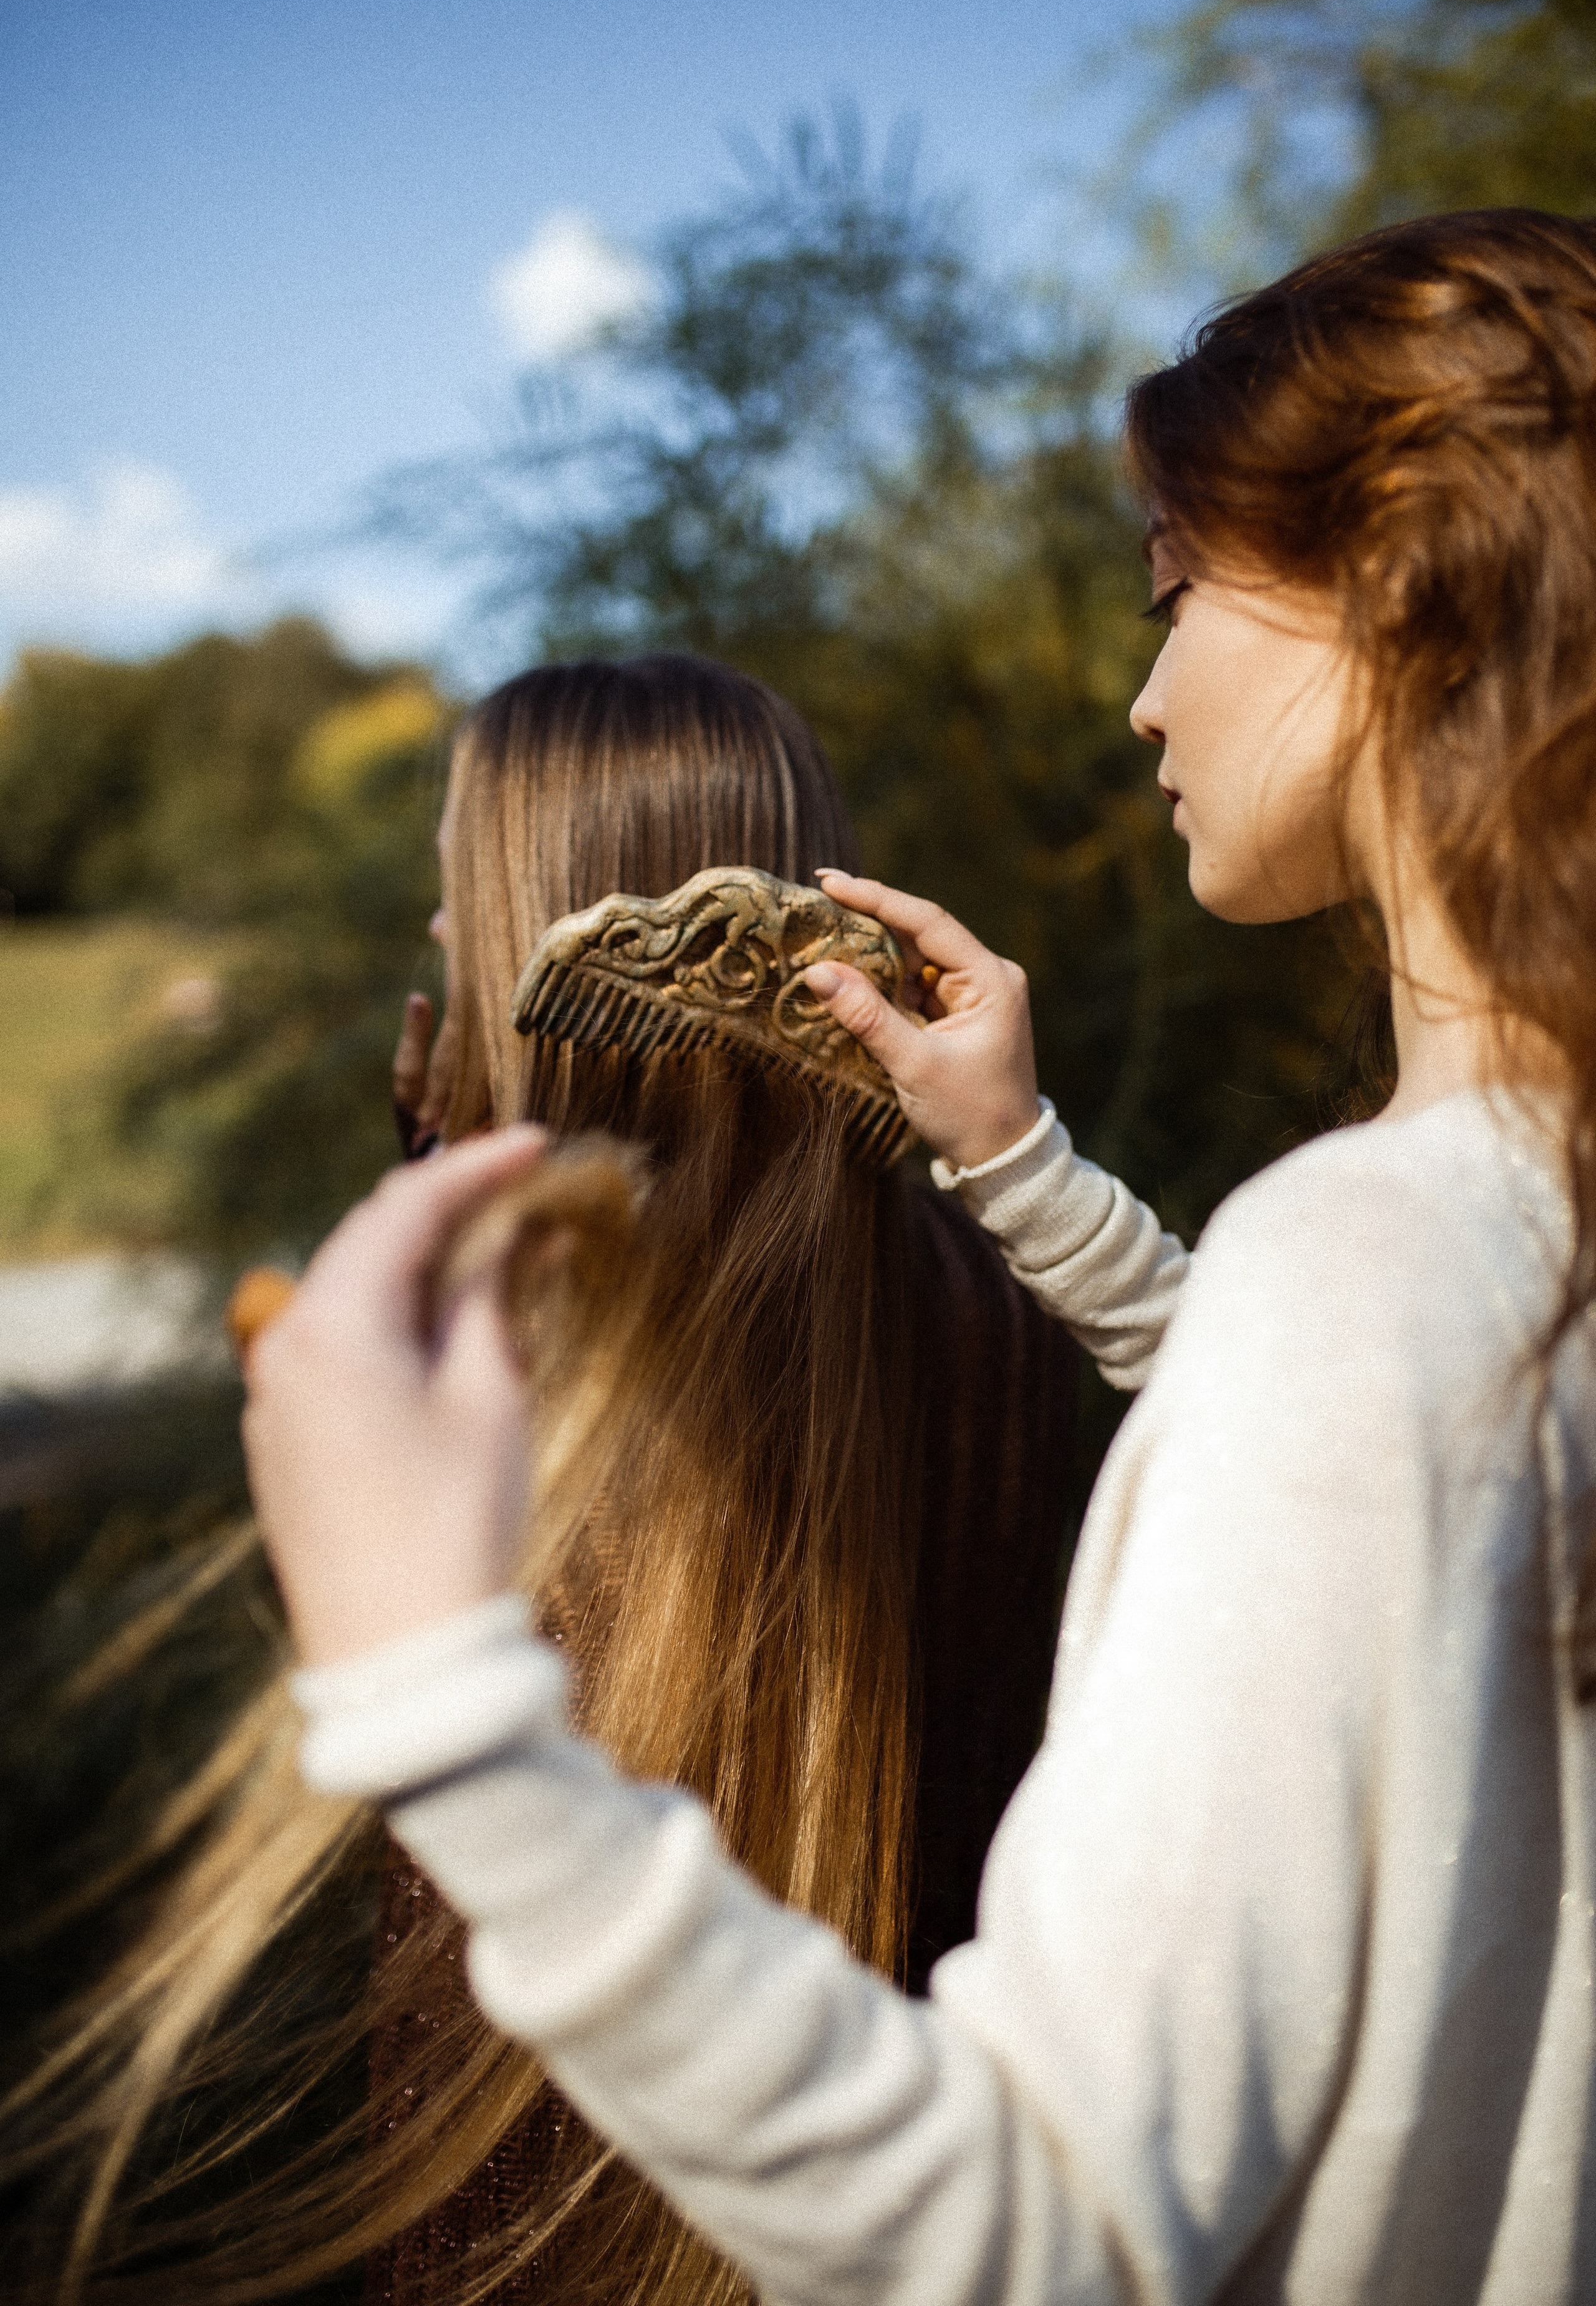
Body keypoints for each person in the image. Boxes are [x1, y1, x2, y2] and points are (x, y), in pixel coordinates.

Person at [246, 206, 1596, 2304]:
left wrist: (437, 1694)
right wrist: (1029, 1173)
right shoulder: (1513, 1240)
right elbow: (1349, 1455)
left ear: (1401, 587)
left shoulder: (1365, 1269)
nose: (1147, 700)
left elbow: (1037, 2230)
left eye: (1178, 593)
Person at [14, 655, 1179, 2306]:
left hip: (532, 2187)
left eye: (451, 896)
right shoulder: (1003, 1304)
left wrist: (422, 1236)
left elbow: (371, 1686)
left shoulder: (488, 1340)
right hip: (892, 2173)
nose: (435, 940)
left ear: (536, 929)